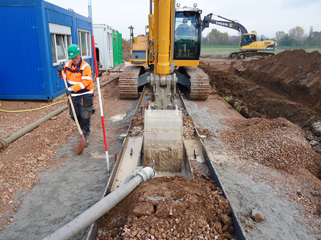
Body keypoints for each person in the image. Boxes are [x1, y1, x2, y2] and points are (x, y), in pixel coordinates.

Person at [57, 44, 94, 147]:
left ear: (79, 54)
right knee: (74, 115)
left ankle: (85, 135)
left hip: (85, 95)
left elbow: (85, 83)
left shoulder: (85, 67)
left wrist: (71, 89)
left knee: (85, 116)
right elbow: (63, 77)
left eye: (75, 57)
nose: (73, 59)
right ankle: (83, 128)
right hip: (73, 96)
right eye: (71, 57)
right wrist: (60, 72)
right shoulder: (68, 65)